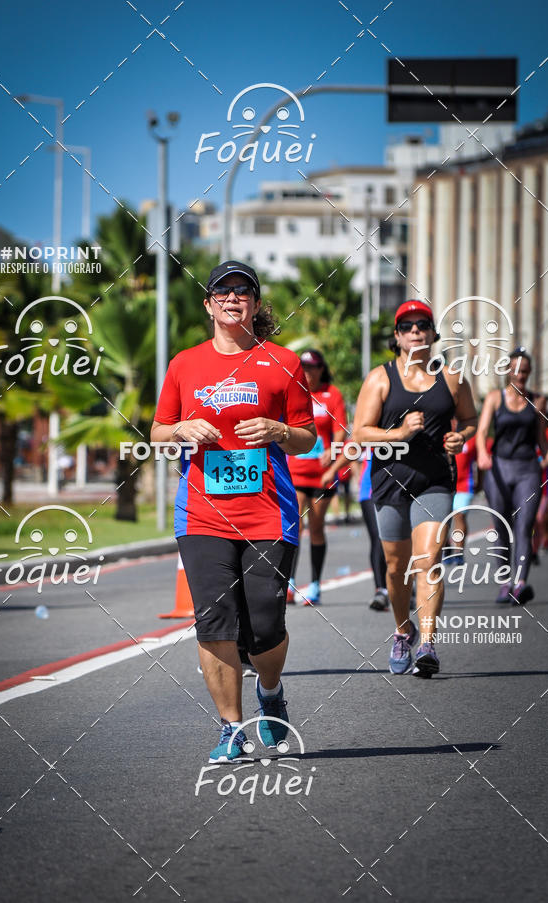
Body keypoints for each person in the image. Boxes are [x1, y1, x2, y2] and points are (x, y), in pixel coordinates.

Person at [151, 261, 316, 761]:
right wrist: (181, 430)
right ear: (208, 304)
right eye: (222, 291)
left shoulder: (283, 362)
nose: (232, 298)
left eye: (242, 291)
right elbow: (158, 432)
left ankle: (269, 691)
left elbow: (308, 437)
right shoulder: (184, 364)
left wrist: (279, 431)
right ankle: (231, 727)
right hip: (202, 514)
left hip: (270, 512)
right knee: (215, 620)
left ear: (255, 304)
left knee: (265, 623)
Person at [352, 300, 477, 677]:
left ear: (433, 333)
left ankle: (427, 642)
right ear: (397, 337)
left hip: (435, 481)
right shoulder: (381, 378)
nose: (415, 331)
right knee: (395, 567)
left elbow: (469, 418)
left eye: (422, 324)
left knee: (428, 560)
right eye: (407, 326)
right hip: (390, 482)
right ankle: (402, 629)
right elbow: (359, 432)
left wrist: (461, 436)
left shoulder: (452, 378)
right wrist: (400, 433)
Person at [476, 347, 548, 605]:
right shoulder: (495, 398)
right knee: (502, 525)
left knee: (524, 525)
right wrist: (482, 454)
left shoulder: (538, 401)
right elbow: (482, 431)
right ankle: (505, 581)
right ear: (508, 370)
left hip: (528, 469)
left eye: (525, 372)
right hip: (498, 469)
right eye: (517, 370)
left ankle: (520, 584)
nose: (521, 376)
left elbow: (542, 438)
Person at [286, 349, 347, 605]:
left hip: (322, 476)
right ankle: (288, 583)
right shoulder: (293, 392)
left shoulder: (331, 395)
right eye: (304, 367)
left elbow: (341, 431)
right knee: (294, 527)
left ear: (321, 368)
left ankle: (314, 584)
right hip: (295, 472)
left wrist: (332, 452)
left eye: (313, 367)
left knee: (317, 528)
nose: (308, 372)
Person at [324, 449, 389, 610]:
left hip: (402, 487)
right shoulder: (369, 424)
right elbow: (353, 447)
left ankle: (407, 585)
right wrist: (332, 470)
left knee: (403, 540)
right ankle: (381, 590)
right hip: (371, 489)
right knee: (378, 538)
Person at [446, 426, 477, 567]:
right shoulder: (441, 437)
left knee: (459, 516)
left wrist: (480, 482)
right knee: (443, 520)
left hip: (464, 484)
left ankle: (458, 552)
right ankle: (446, 548)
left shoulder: (469, 439)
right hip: (444, 484)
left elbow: (479, 462)